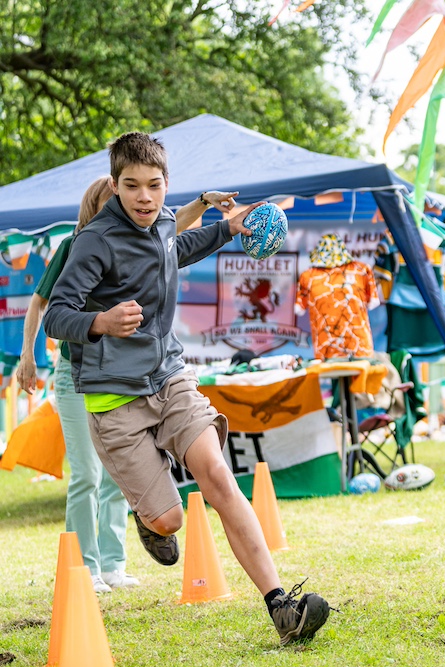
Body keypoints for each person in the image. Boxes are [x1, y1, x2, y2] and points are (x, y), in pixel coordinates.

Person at [42, 132, 330, 644]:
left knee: (217, 476)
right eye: (132, 186)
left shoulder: (165, 221)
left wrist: (226, 226)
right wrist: (101, 321)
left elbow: (181, 247)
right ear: (115, 185)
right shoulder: (94, 242)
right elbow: (56, 315)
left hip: (169, 378)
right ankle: (151, 520)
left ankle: (280, 606)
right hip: (114, 399)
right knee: (171, 519)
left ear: (166, 183)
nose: (145, 198)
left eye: (154, 186)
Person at [16, 177, 238, 594]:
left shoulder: (141, 235)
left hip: (128, 375)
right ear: (99, 206)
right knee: (86, 474)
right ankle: (86, 567)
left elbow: (175, 229)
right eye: (116, 198)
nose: (133, 203)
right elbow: (43, 305)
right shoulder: (78, 244)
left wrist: (205, 203)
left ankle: (114, 563)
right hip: (78, 375)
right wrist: (28, 355)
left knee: (118, 478)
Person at [296, 233, 379, 361]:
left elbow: (299, 308)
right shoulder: (361, 270)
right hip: (355, 346)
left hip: (329, 347)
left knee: (353, 377)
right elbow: (373, 302)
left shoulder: (308, 276)